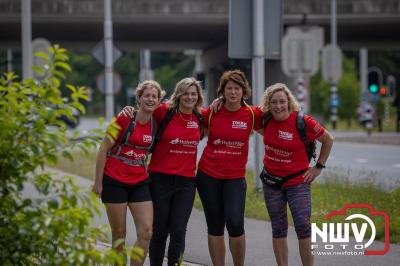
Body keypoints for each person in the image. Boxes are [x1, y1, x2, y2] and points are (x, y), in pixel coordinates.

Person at [120, 77, 205, 266]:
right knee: (159, 230)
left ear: (198, 97)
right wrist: (128, 110)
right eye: (186, 93)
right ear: (179, 94)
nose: (189, 97)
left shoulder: (201, 117)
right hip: (160, 179)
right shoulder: (164, 111)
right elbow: (144, 108)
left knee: (178, 229)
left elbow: (225, 115)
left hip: (187, 182)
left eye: (194, 94)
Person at [258, 83, 333, 266]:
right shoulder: (265, 119)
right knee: (278, 228)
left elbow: (328, 139)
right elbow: (241, 110)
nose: (278, 106)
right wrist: (219, 101)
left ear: (289, 102)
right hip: (271, 181)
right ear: (268, 104)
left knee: (303, 226)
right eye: (274, 102)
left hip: (297, 181)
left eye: (282, 102)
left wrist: (318, 167)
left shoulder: (302, 121)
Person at [92, 80, 164, 266]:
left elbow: (181, 104)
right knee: (118, 234)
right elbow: (103, 149)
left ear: (158, 100)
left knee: (146, 232)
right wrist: (98, 183)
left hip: (140, 181)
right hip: (114, 180)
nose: (150, 99)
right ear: (138, 98)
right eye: (146, 95)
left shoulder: (156, 123)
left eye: (154, 96)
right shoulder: (124, 118)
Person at [196, 70, 262, 266]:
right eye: (229, 89)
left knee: (235, 223)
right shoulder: (212, 113)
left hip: (234, 178)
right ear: (222, 92)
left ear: (244, 91)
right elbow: (186, 118)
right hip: (208, 175)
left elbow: (278, 122)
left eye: (237, 89)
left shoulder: (252, 114)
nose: (233, 92)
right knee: (215, 226)